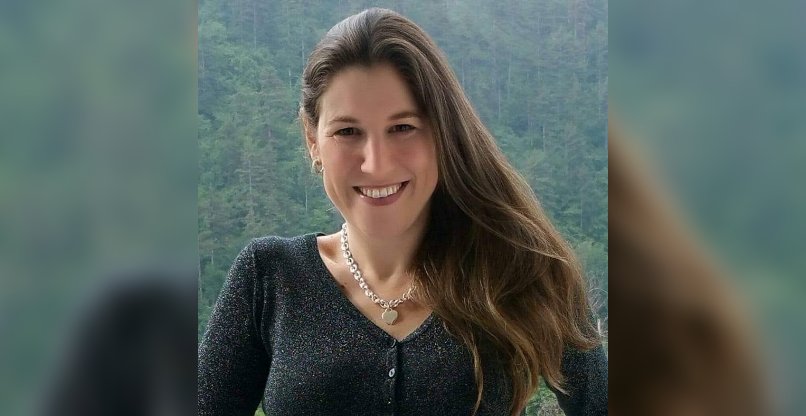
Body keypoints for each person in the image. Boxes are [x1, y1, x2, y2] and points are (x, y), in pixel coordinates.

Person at [198, 8, 607, 416]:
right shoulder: (268, 276)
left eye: (403, 128)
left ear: (443, 133)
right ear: (313, 141)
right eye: (347, 131)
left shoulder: (522, 270)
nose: (376, 164)